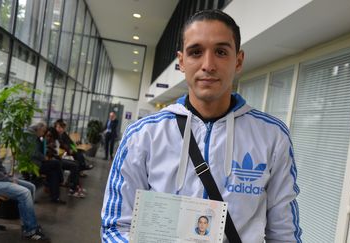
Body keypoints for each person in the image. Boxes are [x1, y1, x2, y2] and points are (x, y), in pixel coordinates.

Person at [101, 9, 301, 243]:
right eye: (196, 52)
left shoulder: (272, 136)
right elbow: (115, 227)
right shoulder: (143, 135)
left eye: (221, 52)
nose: (208, 64)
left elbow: (285, 234)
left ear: (238, 61)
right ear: (182, 62)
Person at [0, 157, 51, 242]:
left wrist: (6, 175)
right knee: (24, 193)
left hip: (0, 180)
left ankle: (27, 225)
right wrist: (8, 179)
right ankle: (31, 231)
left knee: (31, 187)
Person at [23, 122, 65, 204]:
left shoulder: (35, 136)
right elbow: (33, 152)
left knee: (54, 171)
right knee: (56, 163)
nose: (43, 134)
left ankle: (55, 197)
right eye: (43, 131)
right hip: (32, 164)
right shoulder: (30, 136)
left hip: (37, 162)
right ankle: (61, 180)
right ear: (38, 129)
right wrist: (44, 158)